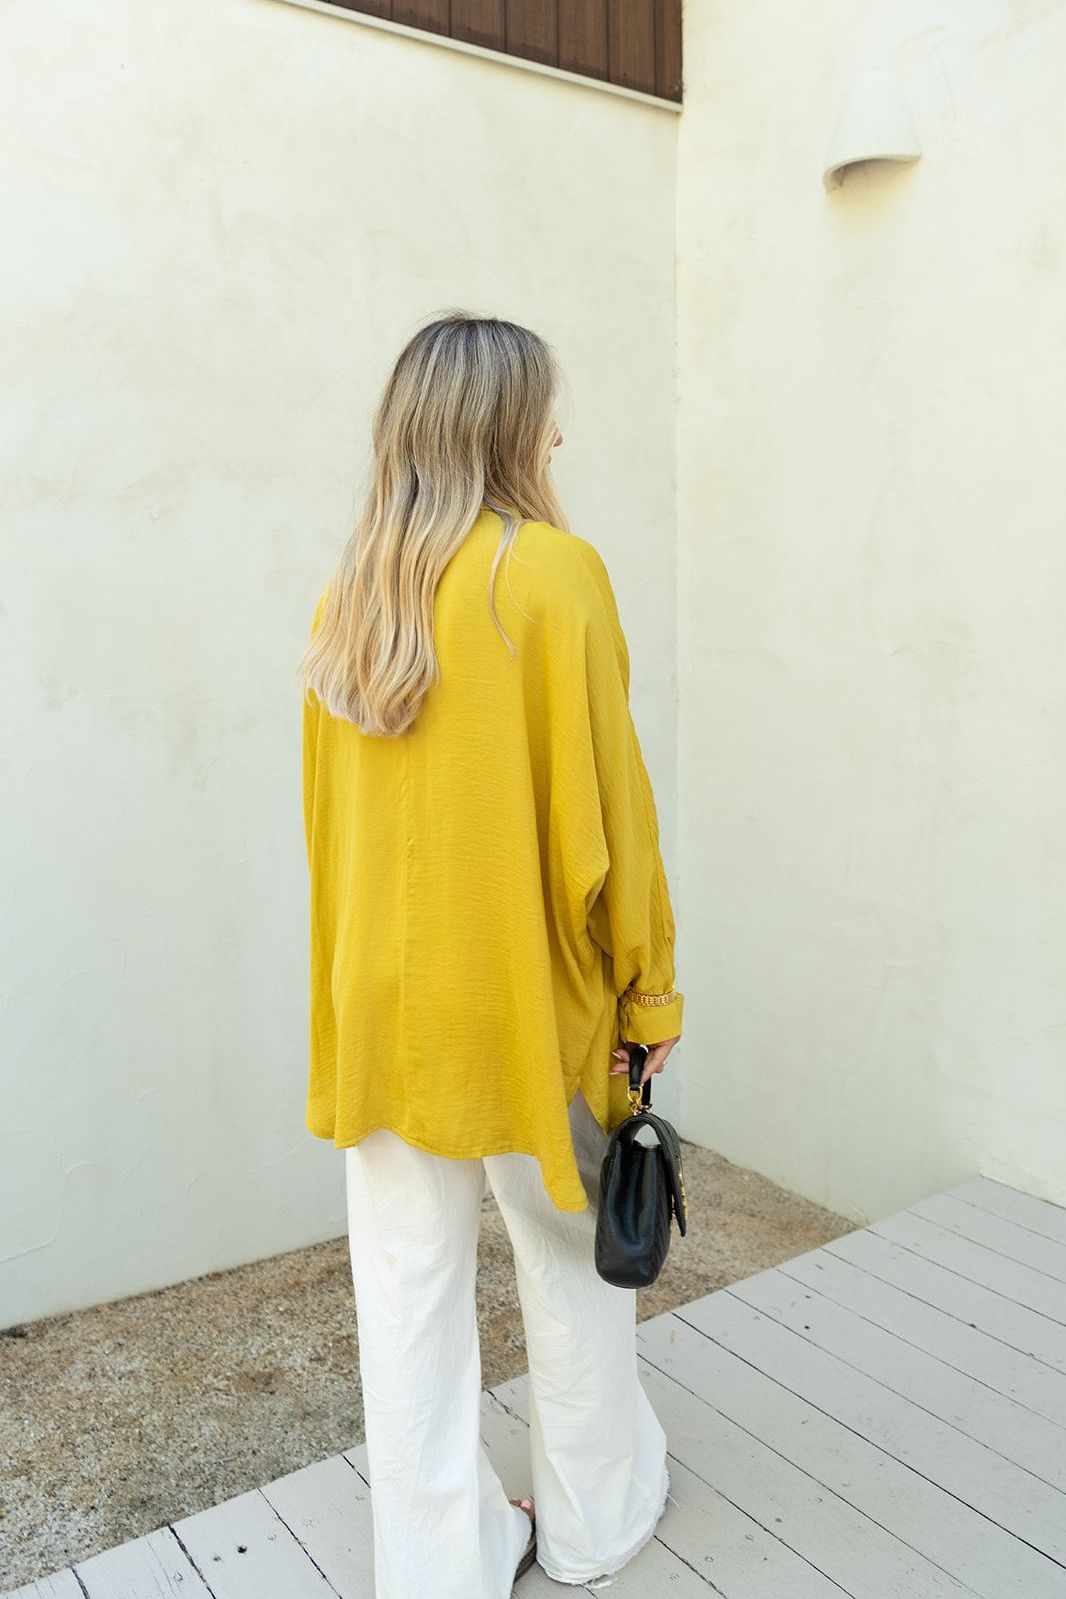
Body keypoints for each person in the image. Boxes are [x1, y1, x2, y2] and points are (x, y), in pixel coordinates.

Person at [296, 313, 685, 1598]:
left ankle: (439, 1566)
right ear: (506, 425)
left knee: (405, 1291)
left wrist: (344, 1001)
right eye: (546, 411)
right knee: (570, 1264)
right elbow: (613, 814)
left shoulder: (348, 600)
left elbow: (328, 835)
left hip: (384, 1001)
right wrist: (649, 990)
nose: (559, 435)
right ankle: (592, 1523)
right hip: (530, 996)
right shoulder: (555, 577)